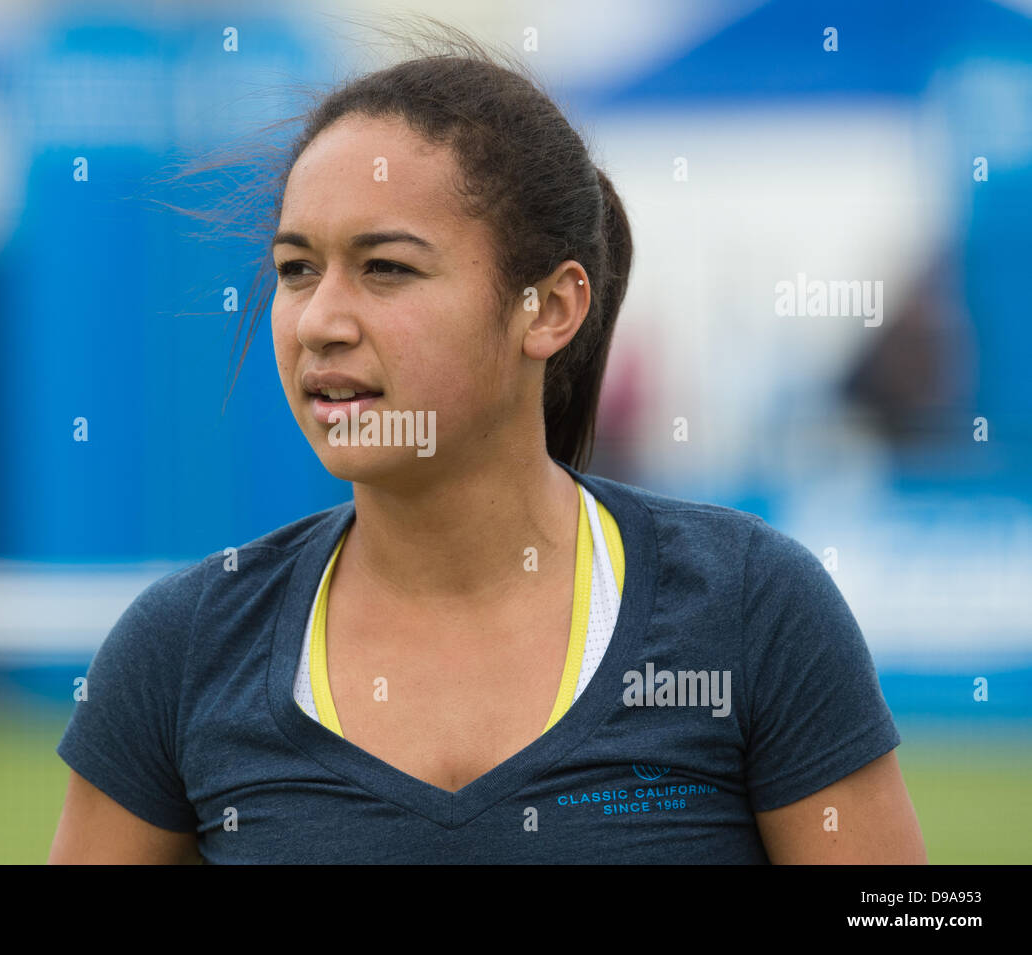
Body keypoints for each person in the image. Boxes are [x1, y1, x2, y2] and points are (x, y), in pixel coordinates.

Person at [48, 19, 926, 864]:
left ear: (548, 307)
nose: (319, 320)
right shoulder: (186, 646)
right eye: (295, 269)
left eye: (386, 267)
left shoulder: (748, 608)